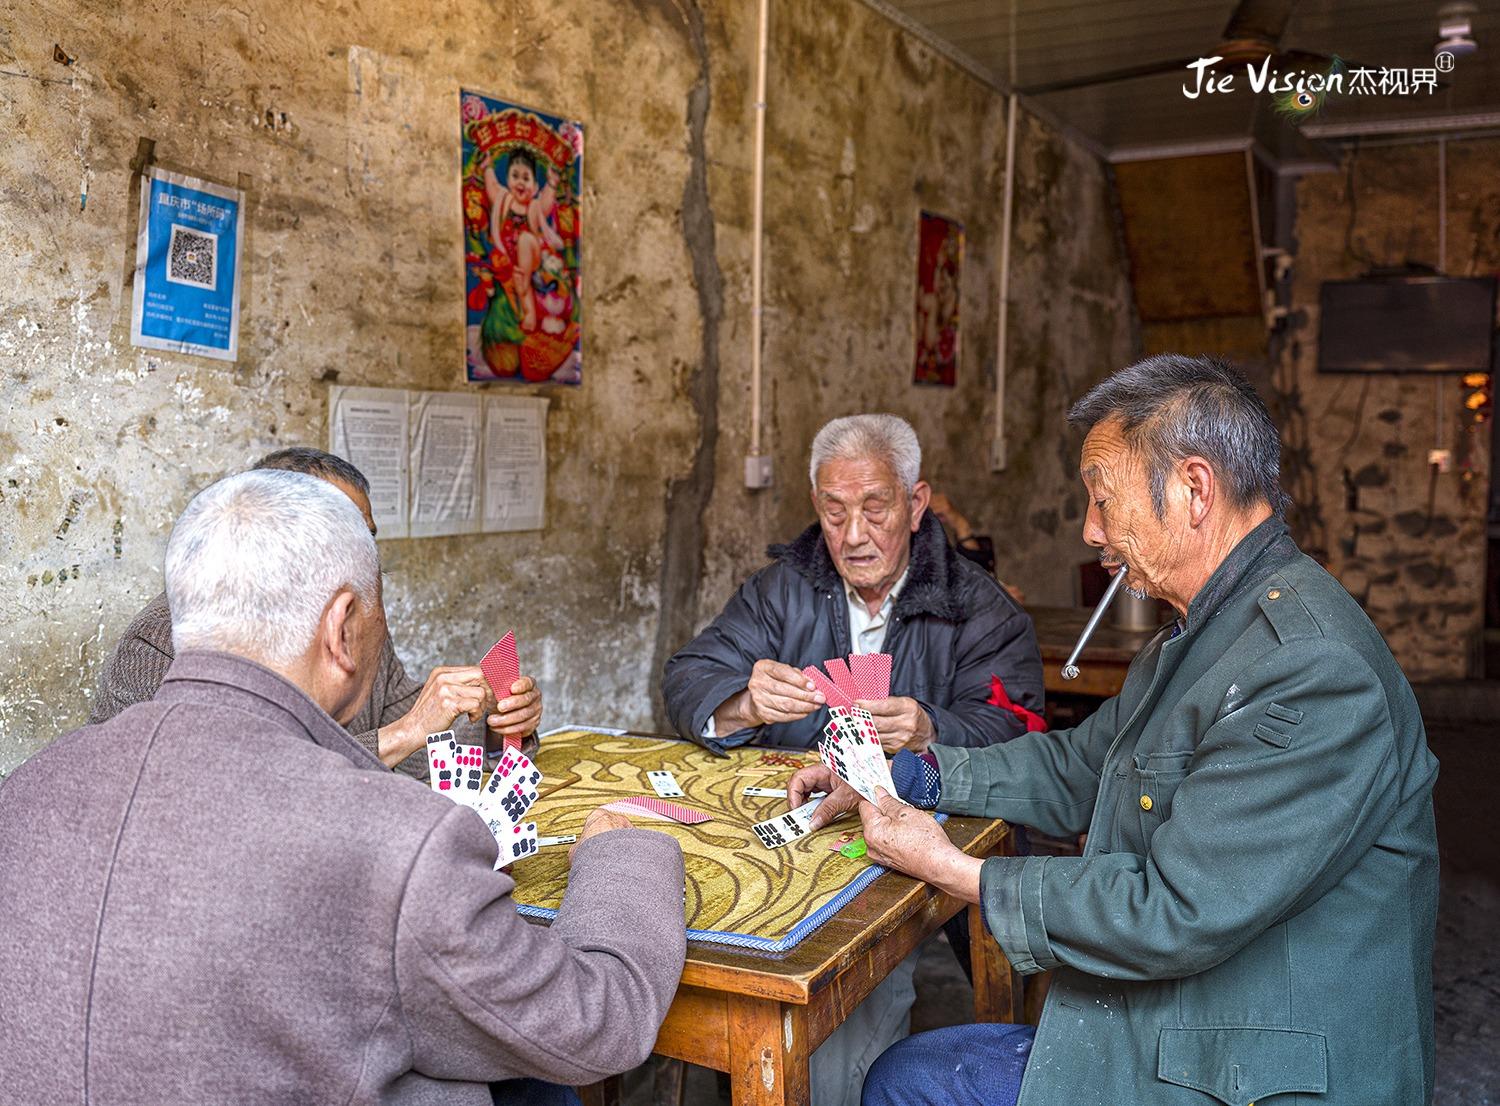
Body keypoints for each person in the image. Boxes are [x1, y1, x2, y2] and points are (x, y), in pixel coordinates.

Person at [787, 355, 1439, 1106]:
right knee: (916, 1072)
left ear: (1195, 489)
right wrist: (911, 776)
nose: (1092, 530)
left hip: (1256, 1067)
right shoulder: (1200, 636)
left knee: (913, 1084)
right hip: (1195, 1017)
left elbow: (1175, 908)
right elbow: (1078, 766)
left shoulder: (1311, 667)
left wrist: (954, 868)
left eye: (1104, 499)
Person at [0, 470, 688, 1105]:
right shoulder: (397, 849)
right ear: (341, 629)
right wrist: (617, 854)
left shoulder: (26, 792)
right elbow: (596, 1025)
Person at [662, 413, 1044, 1106]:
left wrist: (933, 729)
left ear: (917, 503)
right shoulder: (783, 590)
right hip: (790, 831)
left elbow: (1023, 731)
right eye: (835, 512)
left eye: (875, 508)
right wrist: (744, 703)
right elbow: (688, 675)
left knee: (842, 1014)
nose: (854, 534)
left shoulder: (976, 606)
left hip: (896, 851)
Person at [89, 447, 541, 780]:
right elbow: (215, 788)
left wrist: (495, 727)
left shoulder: (353, 619)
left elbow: (421, 745)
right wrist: (401, 733)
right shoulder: (174, 640)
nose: (360, 557)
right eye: (337, 535)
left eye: (365, 539)